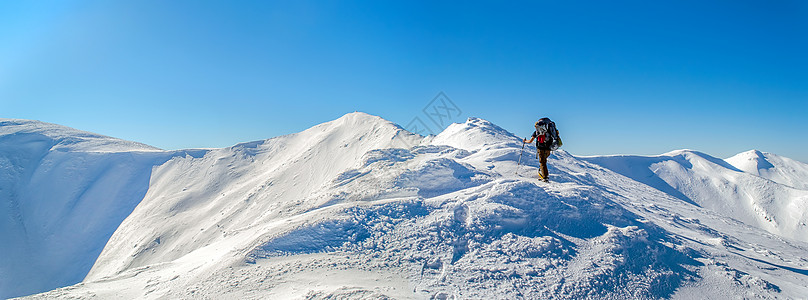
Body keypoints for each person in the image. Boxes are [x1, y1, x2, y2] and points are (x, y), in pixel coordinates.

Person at [524, 118, 556, 182]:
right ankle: (542, 171)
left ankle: (545, 177)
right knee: (544, 161)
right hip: (548, 148)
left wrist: (525, 141)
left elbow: (530, 141)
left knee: (542, 162)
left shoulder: (537, 132)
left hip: (541, 148)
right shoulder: (549, 131)